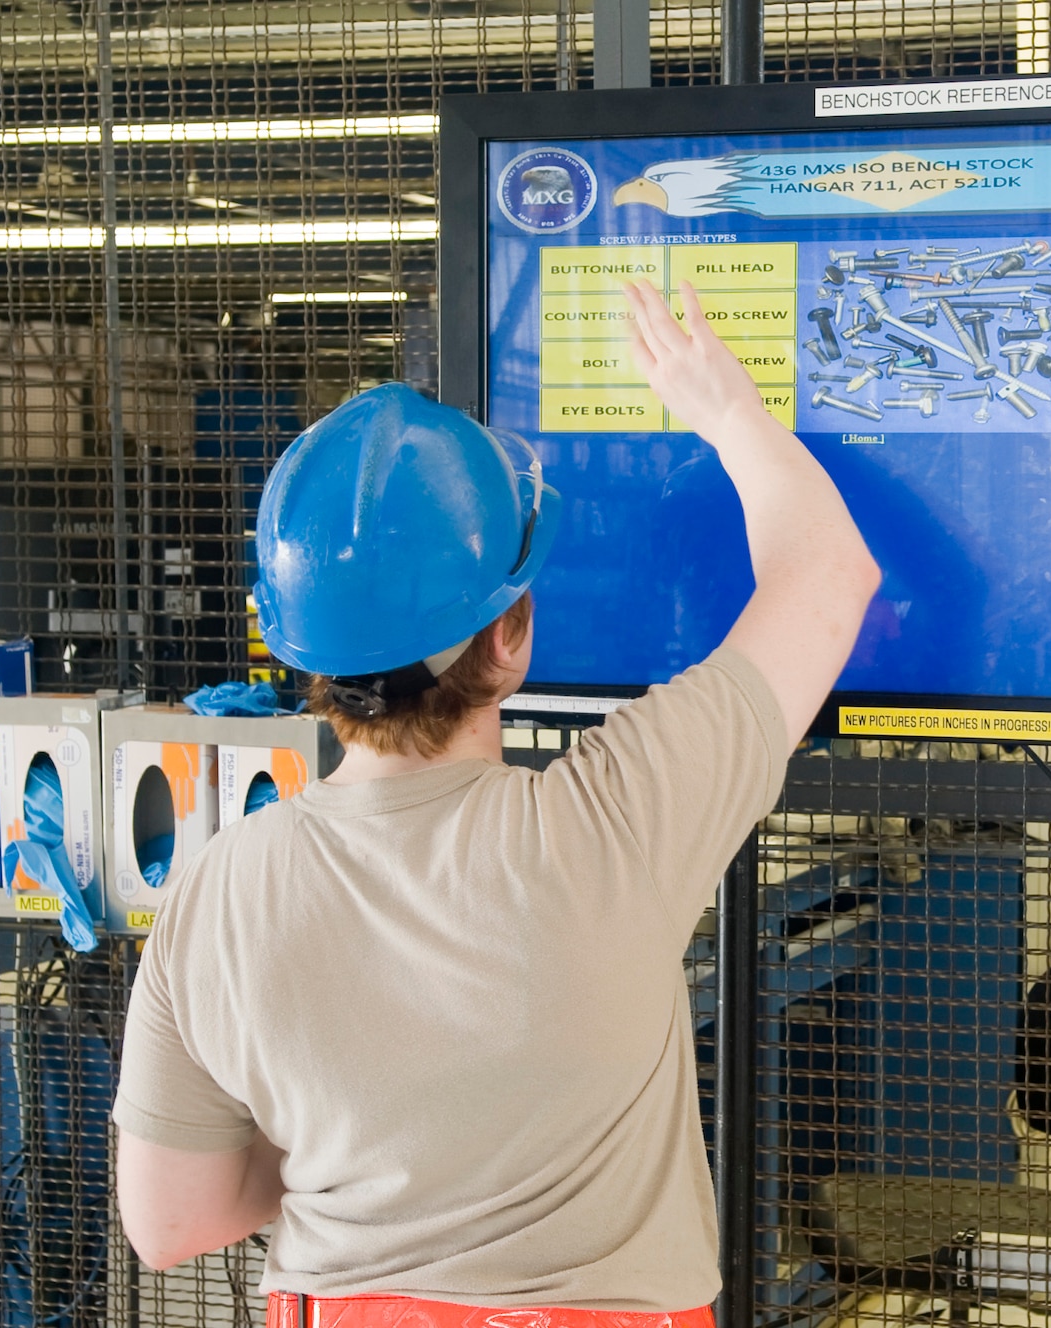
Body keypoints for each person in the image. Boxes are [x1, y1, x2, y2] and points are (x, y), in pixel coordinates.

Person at [111, 279, 880, 1325]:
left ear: (301, 653)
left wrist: (359, 1168)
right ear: (509, 635)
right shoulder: (617, 818)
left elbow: (169, 1224)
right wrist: (723, 408)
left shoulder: (217, 890)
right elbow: (828, 574)